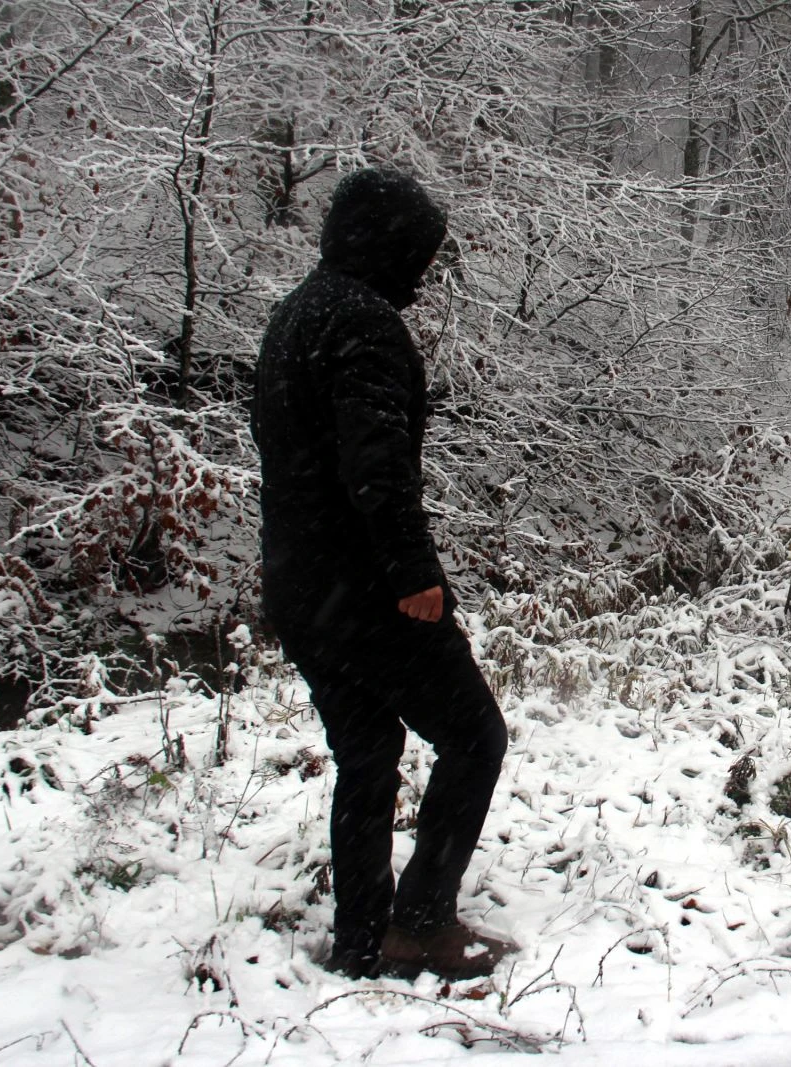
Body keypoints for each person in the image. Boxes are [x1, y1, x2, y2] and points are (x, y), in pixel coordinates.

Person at [250, 168, 512, 980]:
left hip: (301, 588)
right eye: (417, 255)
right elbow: (377, 466)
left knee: (367, 753)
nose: (422, 274)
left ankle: (361, 936)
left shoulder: (296, 313)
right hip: (366, 591)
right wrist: (413, 572)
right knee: (475, 736)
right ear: (388, 244)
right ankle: (422, 923)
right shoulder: (363, 325)